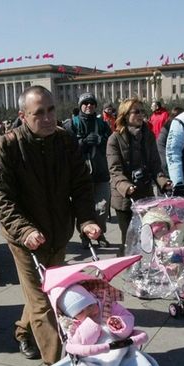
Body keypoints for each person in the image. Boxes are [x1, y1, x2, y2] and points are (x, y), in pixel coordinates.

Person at [0, 85, 101, 366]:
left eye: (51, 110)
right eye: (39, 113)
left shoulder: (65, 141)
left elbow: (81, 184)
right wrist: (24, 230)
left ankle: (22, 331)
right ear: (23, 116)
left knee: (45, 291)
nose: (49, 118)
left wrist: (86, 220)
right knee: (43, 303)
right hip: (24, 237)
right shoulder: (8, 146)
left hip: (58, 232)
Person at [107, 98, 171, 255]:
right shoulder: (114, 139)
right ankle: (127, 265)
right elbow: (115, 170)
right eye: (136, 111)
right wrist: (126, 186)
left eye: (143, 111)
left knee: (147, 234)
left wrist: (164, 182)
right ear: (125, 114)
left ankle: (143, 266)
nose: (141, 115)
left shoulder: (148, 136)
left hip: (145, 194)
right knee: (129, 237)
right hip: (125, 197)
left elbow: (155, 164)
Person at [64, 92, 112, 249]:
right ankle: (85, 235)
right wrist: (82, 143)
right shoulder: (72, 124)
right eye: (85, 103)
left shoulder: (102, 124)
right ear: (80, 106)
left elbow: (111, 142)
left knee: (103, 207)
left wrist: (101, 140)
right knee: (85, 206)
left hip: (101, 172)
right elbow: (66, 147)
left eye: (92, 103)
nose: (89, 106)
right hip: (82, 174)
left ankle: (99, 233)